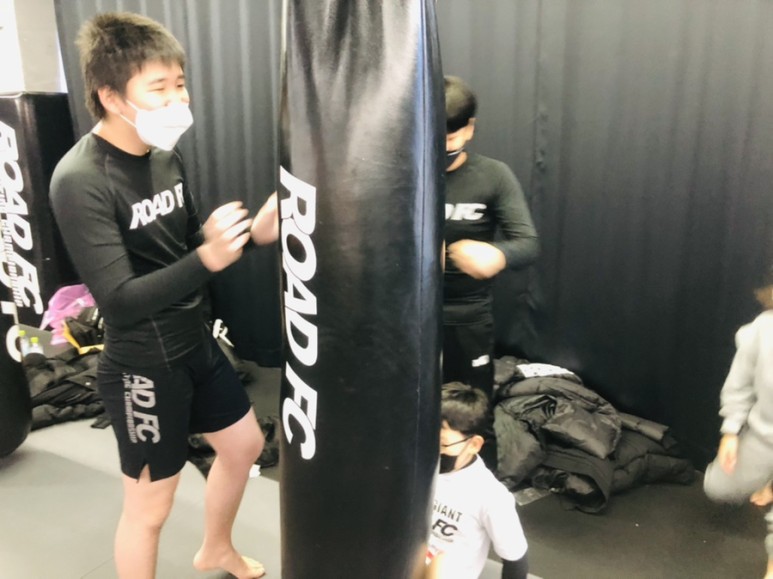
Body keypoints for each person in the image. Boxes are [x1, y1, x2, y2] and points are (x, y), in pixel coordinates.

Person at [49, 12, 277, 579]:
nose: (178, 99)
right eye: (160, 88)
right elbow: (119, 299)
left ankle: (216, 549)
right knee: (150, 508)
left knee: (244, 446)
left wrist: (252, 237)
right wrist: (207, 257)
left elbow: (190, 248)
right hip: (143, 366)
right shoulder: (80, 179)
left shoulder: (164, 157)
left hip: (193, 343)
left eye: (180, 83)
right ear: (111, 96)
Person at [442, 75, 539, 401]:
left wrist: (497, 254)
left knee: (469, 409)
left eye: (450, 137)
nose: (441, 147)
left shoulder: (493, 176)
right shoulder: (397, 174)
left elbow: (528, 243)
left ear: (469, 128)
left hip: (466, 315)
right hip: (405, 315)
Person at [704, 269, 773, 579]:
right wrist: (731, 432)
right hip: (765, 435)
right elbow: (740, 383)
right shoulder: (763, 328)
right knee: (718, 487)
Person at [427, 382, 529, 579]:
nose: (433, 452)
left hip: (445, 573)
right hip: (405, 565)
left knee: (440, 567)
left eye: (442, 444)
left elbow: (515, 559)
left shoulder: (490, 497)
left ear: (473, 444)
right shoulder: (417, 469)